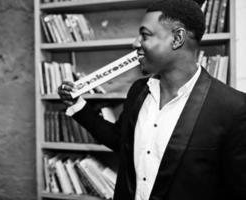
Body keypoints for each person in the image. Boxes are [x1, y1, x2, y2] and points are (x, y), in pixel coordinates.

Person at [58, 0, 246, 199]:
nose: (135, 43)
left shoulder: (233, 108)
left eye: (145, 35)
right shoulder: (138, 91)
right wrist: (78, 104)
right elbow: (120, 141)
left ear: (177, 38)